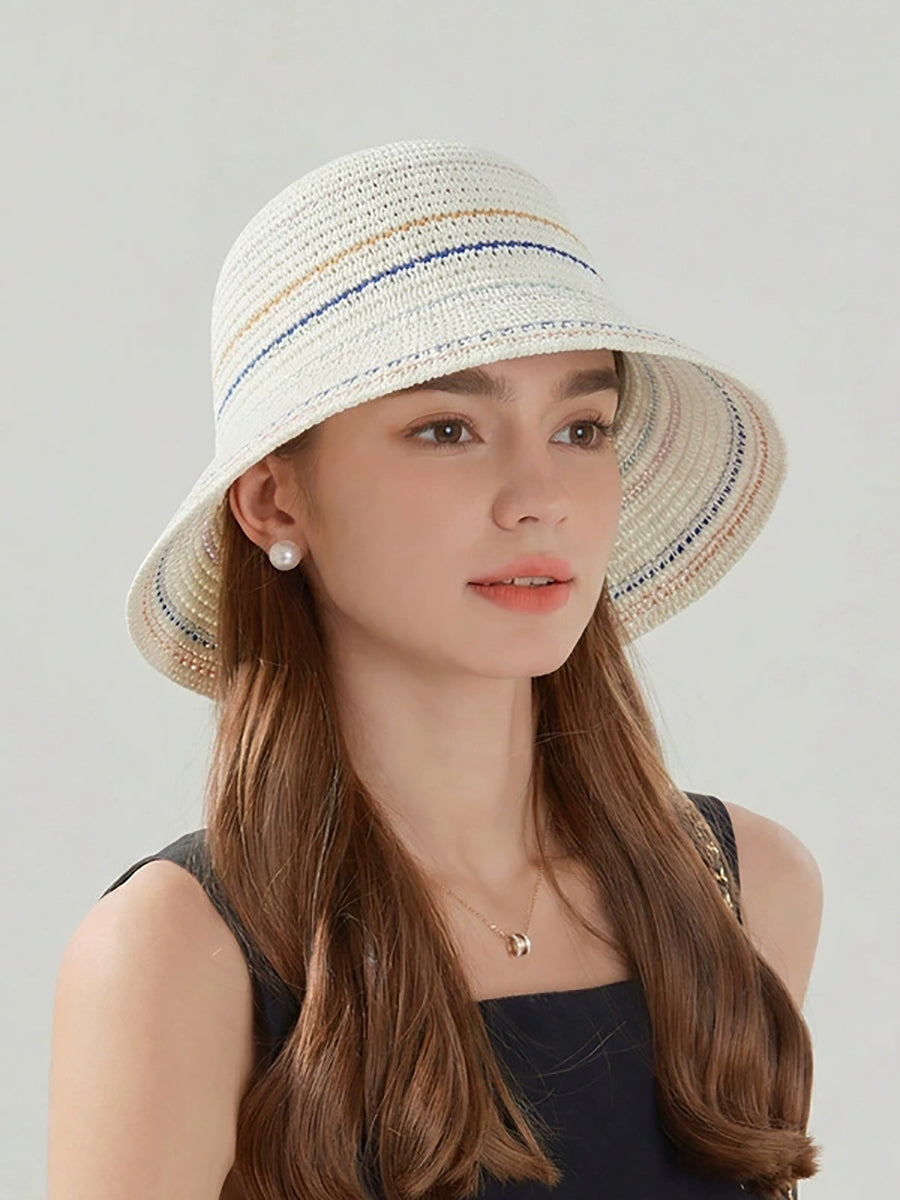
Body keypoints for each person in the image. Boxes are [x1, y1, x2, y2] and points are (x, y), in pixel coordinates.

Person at [48, 139, 823, 1200]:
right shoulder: (175, 956)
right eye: (448, 428)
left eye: (581, 427)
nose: (539, 498)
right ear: (274, 501)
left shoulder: (745, 888)